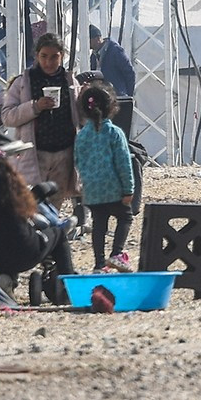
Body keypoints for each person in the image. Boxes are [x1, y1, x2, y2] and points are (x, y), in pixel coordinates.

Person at [0, 149, 77, 305]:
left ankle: (5, 278)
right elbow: (30, 209)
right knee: (59, 234)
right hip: (25, 251)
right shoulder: (12, 187)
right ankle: (69, 286)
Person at [0, 33, 83, 218]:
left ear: (62, 56)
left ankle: (51, 240)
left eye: (54, 57)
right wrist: (35, 107)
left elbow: (79, 117)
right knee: (30, 203)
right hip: (34, 154)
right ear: (37, 56)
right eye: (44, 56)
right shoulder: (23, 83)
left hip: (64, 153)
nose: (49, 62)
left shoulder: (70, 82)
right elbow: (7, 117)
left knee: (55, 202)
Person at [74, 84, 139, 271]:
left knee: (99, 224)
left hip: (92, 190)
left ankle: (99, 263)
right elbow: (124, 163)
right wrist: (129, 189)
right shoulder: (114, 133)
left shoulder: (82, 136)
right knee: (125, 217)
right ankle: (117, 253)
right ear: (112, 107)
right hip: (114, 188)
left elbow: (78, 161)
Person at [86, 26, 137, 137]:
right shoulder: (94, 56)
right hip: (103, 101)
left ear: (97, 38)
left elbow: (129, 72)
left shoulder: (114, 50)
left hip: (118, 99)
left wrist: (127, 95)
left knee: (119, 132)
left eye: (89, 39)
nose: (88, 44)